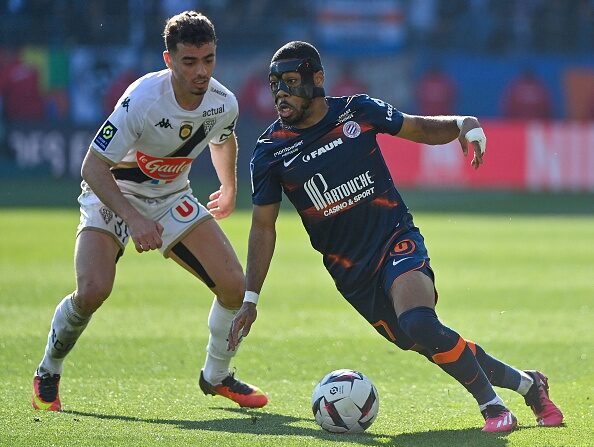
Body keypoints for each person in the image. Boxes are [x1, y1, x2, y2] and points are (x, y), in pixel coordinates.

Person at [227, 41, 563, 432]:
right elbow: (263, 228)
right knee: (428, 342)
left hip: (394, 239)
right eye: (275, 85)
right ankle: (529, 384)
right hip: (352, 274)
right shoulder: (268, 152)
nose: (281, 93)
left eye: (290, 82)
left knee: (420, 322)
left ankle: (493, 408)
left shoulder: (357, 111)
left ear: (317, 79)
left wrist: (461, 124)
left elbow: (417, 126)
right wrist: (251, 298)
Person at [32, 11, 267, 412]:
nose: (201, 71)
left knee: (234, 285)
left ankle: (216, 376)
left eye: (208, 59)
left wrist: (228, 186)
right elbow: (92, 166)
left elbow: (223, 140)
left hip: (171, 196)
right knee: (93, 290)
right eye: (189, 62)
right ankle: (48, 369)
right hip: (112, 191)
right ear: (168, 59)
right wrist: (134, 219)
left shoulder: (223, 102)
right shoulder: (142, 99)